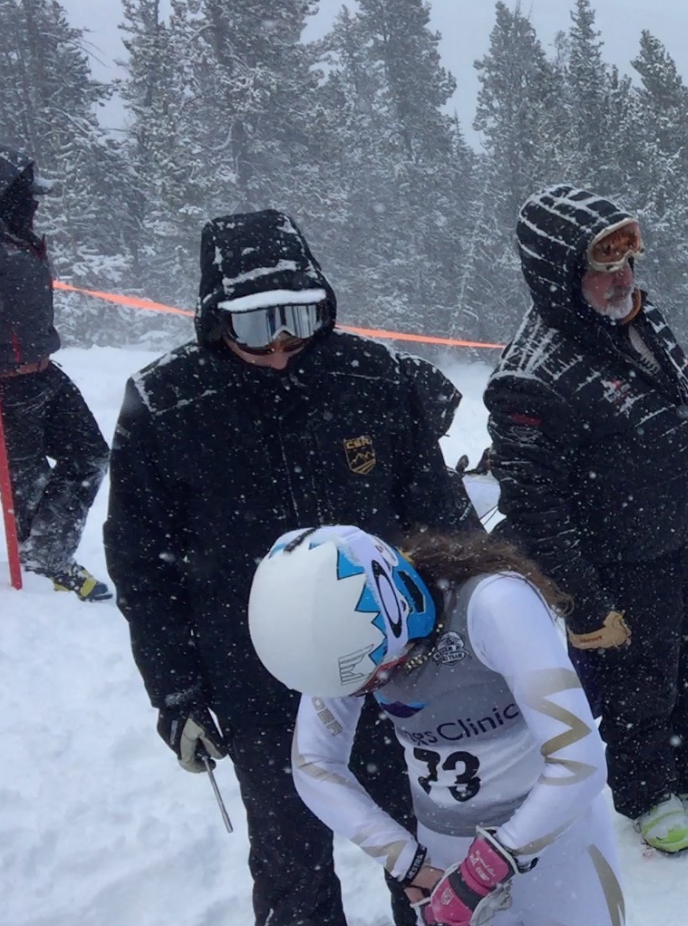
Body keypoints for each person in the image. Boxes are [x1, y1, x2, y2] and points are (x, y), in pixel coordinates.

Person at [105, 209, 476, 926]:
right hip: (258, 676)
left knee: (428, 839)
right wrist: (177, 693)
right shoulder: (167, 405)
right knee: (290, 859)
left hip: (394, 659)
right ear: (216, 319)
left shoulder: (370, 376)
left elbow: (441, 515)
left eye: (297, 320)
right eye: (253, 328)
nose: (278, 348)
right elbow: (143, 568)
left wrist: (474, 626)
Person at [485, 185, 688, 855]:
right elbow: (533, 507)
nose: (622, 279)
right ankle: (648, 795)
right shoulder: (531, 377)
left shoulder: (641, 317)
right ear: (559, 275)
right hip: (616, 561)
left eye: (628, 263)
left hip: (680, 536)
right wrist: (583, 604)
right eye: (604, 267)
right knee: (640, 684)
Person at [249, 525, 626, 926]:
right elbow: (314, 763)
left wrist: (486, 867)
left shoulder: (495, 603)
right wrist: (406, 861)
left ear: (396, 606)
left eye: (377, 673)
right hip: (447, 855)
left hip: (557, 843)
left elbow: (579, 761)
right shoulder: (340, 645)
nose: (373, 687)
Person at [0, 144, 109, 599]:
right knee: (27, 489)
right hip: (7, 390)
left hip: (45, 375)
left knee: (90, 454)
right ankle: (41, 579)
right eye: (27, 195)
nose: (35, 203)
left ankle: (45, 553)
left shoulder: (22, 240)